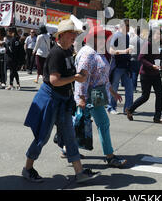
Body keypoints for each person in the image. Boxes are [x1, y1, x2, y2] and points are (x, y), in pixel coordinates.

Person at [22, 19, 101, 183]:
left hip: (63, 100)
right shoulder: (56, 53)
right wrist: (75, 78)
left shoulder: (68, 51)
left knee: (70, 135)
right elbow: (54, 80)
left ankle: (79, 172)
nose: (74, 37)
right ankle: (27, 169)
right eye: (72, 34)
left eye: (75, 34)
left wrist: (77, 85)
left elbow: (68, 78)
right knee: (42, 136)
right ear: (63, 35)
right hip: (51, 99)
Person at [74, 25, 127, 167]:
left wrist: (112, 91)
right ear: (93, 38)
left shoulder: (97, 52)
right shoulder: (88, 54)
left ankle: (66, 147)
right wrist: (82, 98)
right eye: (102, 37)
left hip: (95, 94)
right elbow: (81, 78)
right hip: (89, 95)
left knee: (77, 123)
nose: (106, 39)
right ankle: (110, 156)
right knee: (103, 123)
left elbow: (103, 76)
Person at [126, 28, 162, 124]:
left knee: (159, 95)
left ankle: (157, 117)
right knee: (145, 96)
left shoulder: (158, 45)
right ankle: (130, 109)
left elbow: (160, 57)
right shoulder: (148, 44)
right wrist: (152, 65)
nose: (159, 36)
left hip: (156, 74)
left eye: (160, 34)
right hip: (146, 74)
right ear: (152, 35)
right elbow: (141, 58)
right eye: (157, 34)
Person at [108, 19, 134, 114]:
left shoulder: (127, 36)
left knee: (130, 89)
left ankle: (127, 109)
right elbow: (111, 51)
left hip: (126, 66)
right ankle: (111, 107)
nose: (128, 30)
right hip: (117, 66)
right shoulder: (117, 36)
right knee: (114, 87)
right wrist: (124, 51)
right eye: (127, 27)